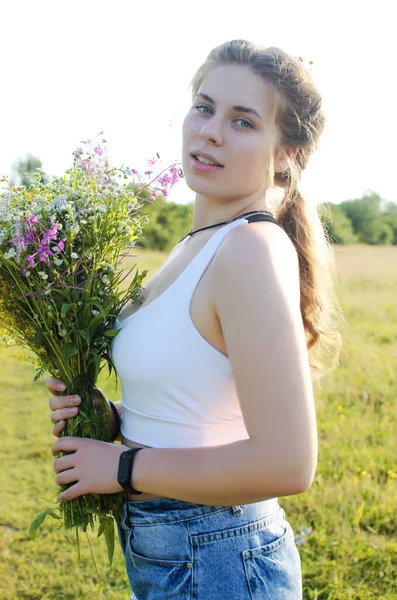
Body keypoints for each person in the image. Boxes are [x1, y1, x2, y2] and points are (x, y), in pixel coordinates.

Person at [46, 39, 341, 599]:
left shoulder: (249, 248)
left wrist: (124, 467)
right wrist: (110, 420)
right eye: (204, 107)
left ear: (286, 153)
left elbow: (289, 462)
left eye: (244, 121)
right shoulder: (197, 245)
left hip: (218, 555)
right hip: (176, 552)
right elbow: (195, 408)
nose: (210, 131)